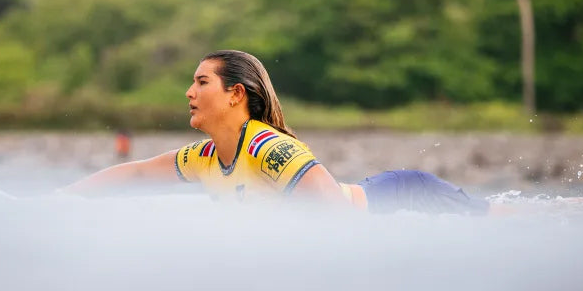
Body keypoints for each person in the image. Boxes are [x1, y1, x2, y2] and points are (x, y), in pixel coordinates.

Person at [58, 50, 490, 215]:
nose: (188, 92)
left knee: (491, 219)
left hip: (403, 197)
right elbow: (134, 174)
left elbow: (337, 221)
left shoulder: (267, 146)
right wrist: (55, 201)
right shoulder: (205, 157)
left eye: (202, 82)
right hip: (373, 194)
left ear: (235, 94)